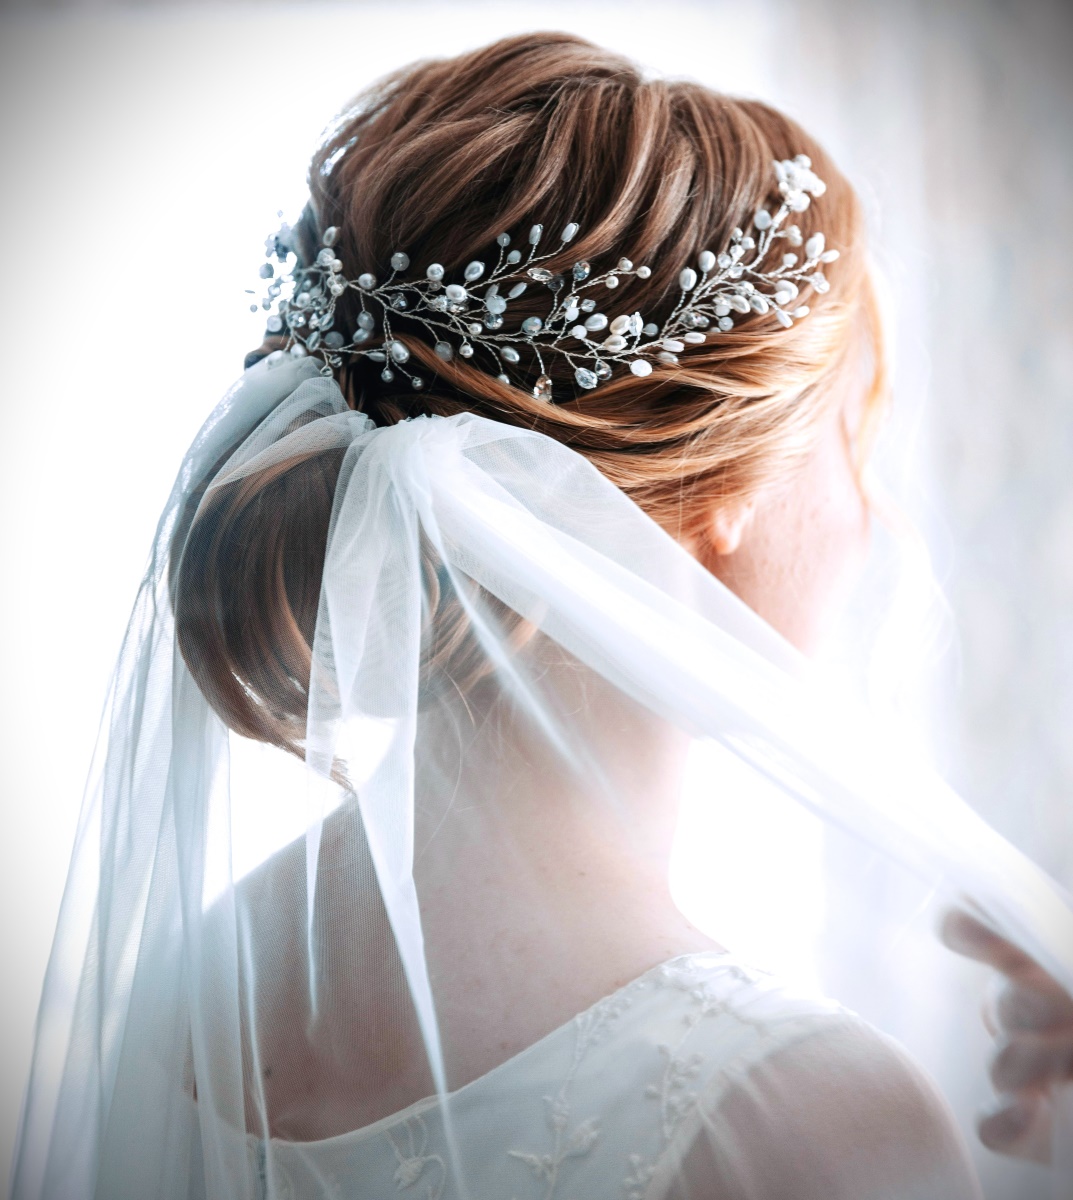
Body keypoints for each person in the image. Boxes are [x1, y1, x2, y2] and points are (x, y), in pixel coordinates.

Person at [12, 31, 1072, 1200]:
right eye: (844, 435)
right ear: (728, 484)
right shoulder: (811, 1126)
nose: (868, 515)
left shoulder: (200, 979)